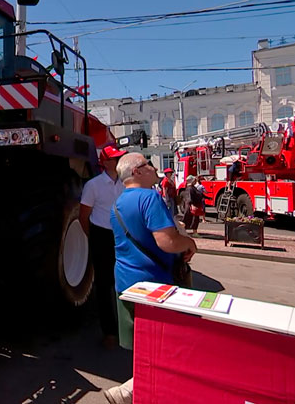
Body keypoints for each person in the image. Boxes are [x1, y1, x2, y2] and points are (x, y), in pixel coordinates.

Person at [103, 153, 197, 404]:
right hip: (155, 285)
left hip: (125, 282)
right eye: (148, 163)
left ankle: (136, 389)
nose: (154, 167)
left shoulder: (118, 204)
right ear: (137, 172)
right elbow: (166, 242)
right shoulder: (150, 197)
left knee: (143, 345)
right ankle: (133, 391)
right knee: (169, 344)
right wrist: (188, 243)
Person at [79, 145, 127, 349]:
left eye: (119, 158)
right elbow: (83, 216)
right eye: (114, 159)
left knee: (126, 282)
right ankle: (110, 332)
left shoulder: (126, 183)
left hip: (123, 235)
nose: (118, 162)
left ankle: (128, 329)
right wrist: (93, 238)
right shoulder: (93, 185)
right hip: (102, 235)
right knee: (104, 284)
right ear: (105, 162)